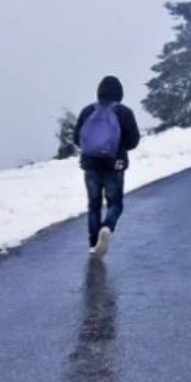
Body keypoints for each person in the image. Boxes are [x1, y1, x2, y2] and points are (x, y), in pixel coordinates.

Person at [73, 76, 140, 257]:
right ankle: (107, 227)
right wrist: (118, 146)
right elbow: (133, 141)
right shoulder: (124, 112)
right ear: (119, 93)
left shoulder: (87, 111)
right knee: (115, 204)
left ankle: (93, 244)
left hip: (90, 165)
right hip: (114, 164)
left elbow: (76, 138)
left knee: (94, 205)